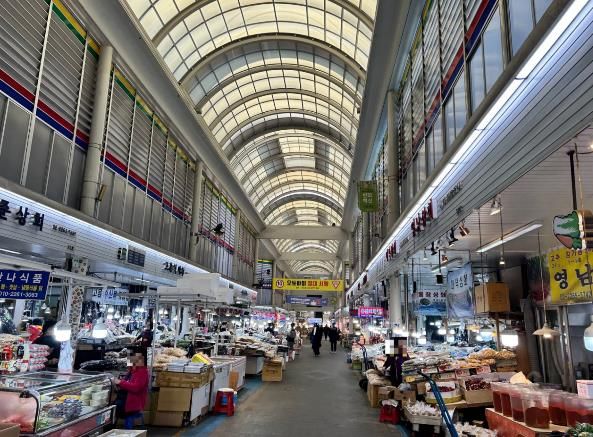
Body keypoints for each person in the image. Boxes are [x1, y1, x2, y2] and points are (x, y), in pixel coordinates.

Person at [114, 349, 149, 428]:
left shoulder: (142, 371)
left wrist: (120, 383)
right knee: (111, 406)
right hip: (126, 398)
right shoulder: (131, 371)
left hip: (133, 402)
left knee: (114, 409)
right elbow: (126, 383)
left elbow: (136, 388)